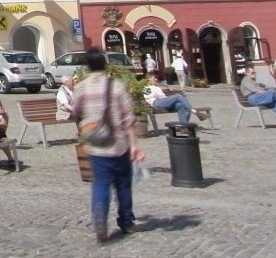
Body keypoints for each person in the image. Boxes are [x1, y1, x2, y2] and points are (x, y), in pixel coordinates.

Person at [71, 49, 144, 244]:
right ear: (105, 64)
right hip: (119, 143)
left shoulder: (82, 87)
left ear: (87, 66)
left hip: (96, 144)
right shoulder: (117, 86)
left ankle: (100, 217)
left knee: (101, 183)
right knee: (123, 184)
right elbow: (129, 118)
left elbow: (76, 110)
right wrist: (134, 145)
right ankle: (126, 222)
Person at [143, 74, 207, 125]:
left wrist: (168, 89)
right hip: (156, 103)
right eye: (154, 78)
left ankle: (183, 127)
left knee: (180, 105)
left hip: (164, 102)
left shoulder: (157, 87)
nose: (156, 79)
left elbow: (163, 96)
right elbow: (148, 97)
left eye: (156, 78)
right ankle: (197, 113)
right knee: (178, 96)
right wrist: (160, 94)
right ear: (149, 79)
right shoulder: (146, 87)